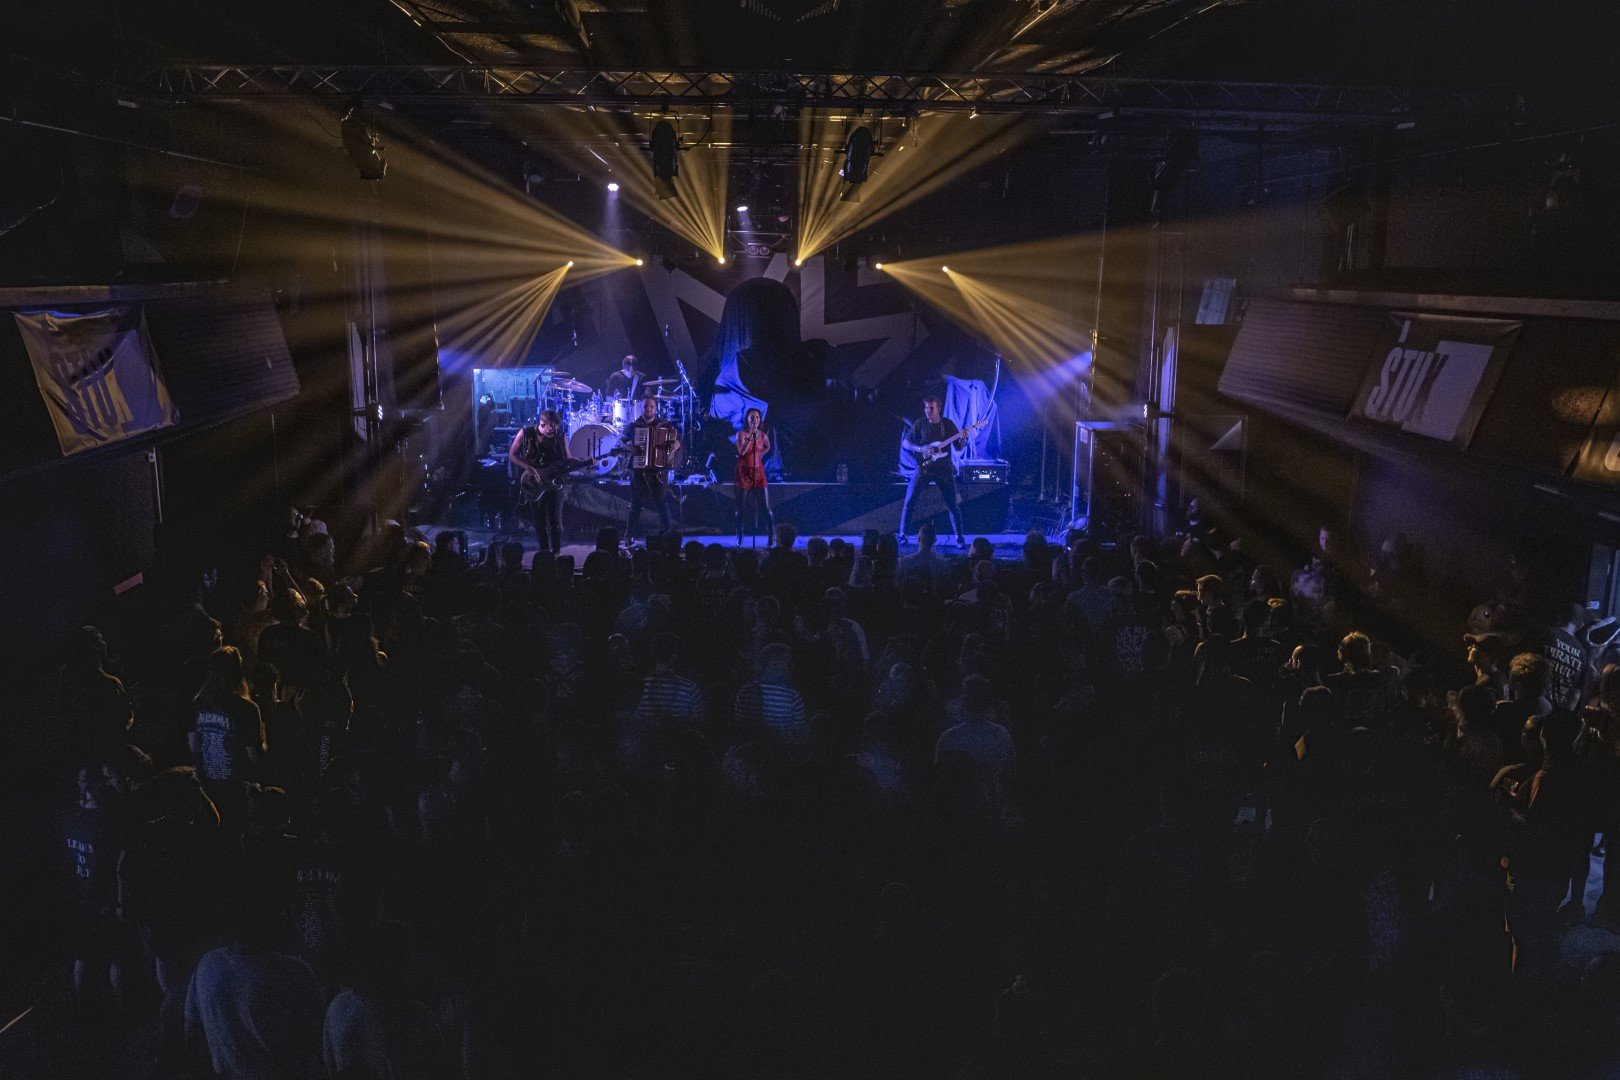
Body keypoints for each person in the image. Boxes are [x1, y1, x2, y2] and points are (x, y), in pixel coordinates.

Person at [188, 646, 264, 825]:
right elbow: (253, 754)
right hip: (237, 789)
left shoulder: (197, 705)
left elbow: (193, 745)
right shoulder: (248, 709)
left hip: (207, 785)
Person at [898, 392, 966, 547]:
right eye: (926, 408)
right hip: (923, 470)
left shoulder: (948, 425)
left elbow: (959, 447)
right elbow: (906, 444)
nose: (927, 411)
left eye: (930, 408)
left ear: (939, 409)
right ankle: (902, 535)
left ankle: (959, 538)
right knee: (909, 502)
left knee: (953, 505)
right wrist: (920, 448)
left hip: (944, 471)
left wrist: (963, 439)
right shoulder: (920, 424)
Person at [508, 408, 570, 555]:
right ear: (542, 424)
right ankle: (544, 552)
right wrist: (528, 468)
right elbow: (512, 455)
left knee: (556, 522)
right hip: (535, 483)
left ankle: (556, 552)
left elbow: (568, 458)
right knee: (539, 522)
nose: (554, 431)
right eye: (551, 428)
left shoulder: (560, 436)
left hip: (555, 484)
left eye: (556, 427)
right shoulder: (526, 433)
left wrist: (583, 464)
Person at [625, 395, 681, 543]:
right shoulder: (633, 426)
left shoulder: (665, 425)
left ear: (656, 408)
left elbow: (677, 444)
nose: (649, 409)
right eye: (645, 406)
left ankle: (667, 537)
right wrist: (629, 448)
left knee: (662, 504)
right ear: (641, 408)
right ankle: (628, 536)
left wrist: (671, 448)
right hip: (639, 470)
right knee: (635, 504)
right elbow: (621, 442)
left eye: (652, 406)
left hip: (659, 471)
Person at [735, 406, 774, 546]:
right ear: (747, 419)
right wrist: (750, 434)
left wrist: (759, 455)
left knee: (765, 508)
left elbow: (768, 446)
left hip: (758, 473)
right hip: (744, 473)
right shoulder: (741, 434)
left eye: (757, 417)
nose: (755, 420)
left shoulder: (762, 435)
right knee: (741, 508)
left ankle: (772, 536)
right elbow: (742, 451)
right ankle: (740, 535)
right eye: (752, 417)